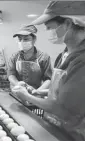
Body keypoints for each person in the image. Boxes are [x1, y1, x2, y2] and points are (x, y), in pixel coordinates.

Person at [12, 1, 85, 141]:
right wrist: (39, 92)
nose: (47, 31)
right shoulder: (64, 54)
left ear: (68, 24)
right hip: (55, 125)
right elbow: (60, 91)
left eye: (49, 27)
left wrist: (28, 97)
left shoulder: (81, 61)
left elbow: (64, 109)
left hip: (72, 134)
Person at [8, 25, 53, 94]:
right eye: (20, 39)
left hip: (36, 92)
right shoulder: (15, 56)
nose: (22, 42)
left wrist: (37, 92)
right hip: (18, 92)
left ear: (34, 39)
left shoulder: (43, 57)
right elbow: (11, 74)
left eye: (26, 39)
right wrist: (17, 84)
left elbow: (48, 79)